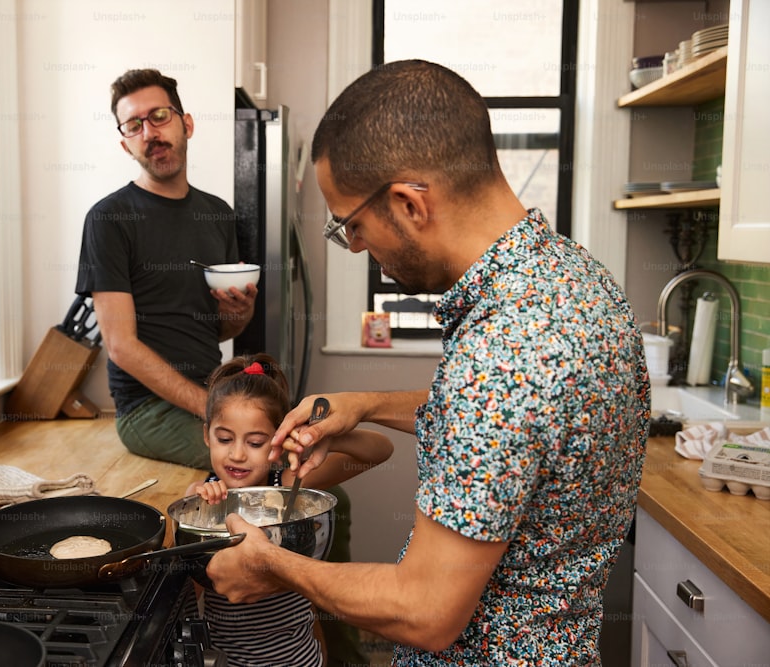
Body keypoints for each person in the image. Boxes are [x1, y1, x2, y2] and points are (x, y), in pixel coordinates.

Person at [206, 60, 651, 665]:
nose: (358, 248)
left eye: (353, 227)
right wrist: (364, 405)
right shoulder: (575, 280)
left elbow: (425, 610)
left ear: (409, 204)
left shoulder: (502, 352)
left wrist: (271, 565)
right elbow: (517, 431)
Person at [75, 68, 257, 469]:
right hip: (147, 412)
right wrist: (211, 408)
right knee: (271, 469)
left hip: (211, 395)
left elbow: (221, 329)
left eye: (159, 116)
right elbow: (120, 345)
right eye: (134, 125)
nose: (149, 133)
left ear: (185, 123)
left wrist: (238, 314)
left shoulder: (218, 214)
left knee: (304, 464)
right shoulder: (108, 219)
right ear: (126, 145)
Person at [185, 353, 394, 667]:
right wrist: (199, 501)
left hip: (299, 661)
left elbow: (380, 450)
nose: (238, 454)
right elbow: (191, 580)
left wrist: (324, 437)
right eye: (225, 439)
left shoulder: (287, 486)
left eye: (256, 443)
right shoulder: (204, 494)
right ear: (206, 436)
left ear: (278, 442)